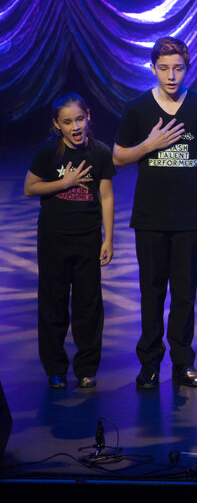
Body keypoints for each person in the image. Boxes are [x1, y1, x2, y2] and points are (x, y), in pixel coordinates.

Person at [113, 36, 197, 389]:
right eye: (164, 69)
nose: (171, 76)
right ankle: (149, 363)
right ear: (153, 68)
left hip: (189, 217)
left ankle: (182, 362)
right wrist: (150, 145)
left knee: (185, 293)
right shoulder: (138, 109)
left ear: (187, 68)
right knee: (152, 291)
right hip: (150, 217)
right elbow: (117, 157)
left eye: (177, 69)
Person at [25, 94, 115, 389]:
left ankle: (87, 368)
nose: (75, 126)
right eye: (67, 122)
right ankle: (54, 367)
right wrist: (65, 183)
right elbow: (30, 187)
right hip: (53, 238)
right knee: (54, 303)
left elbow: (106, 196)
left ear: (88, 116)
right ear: (57, 125)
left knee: (88, 306)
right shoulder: (50, 152)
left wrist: (109, 239)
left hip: (88, 237)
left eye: (79, 119)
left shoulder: (100, 152)